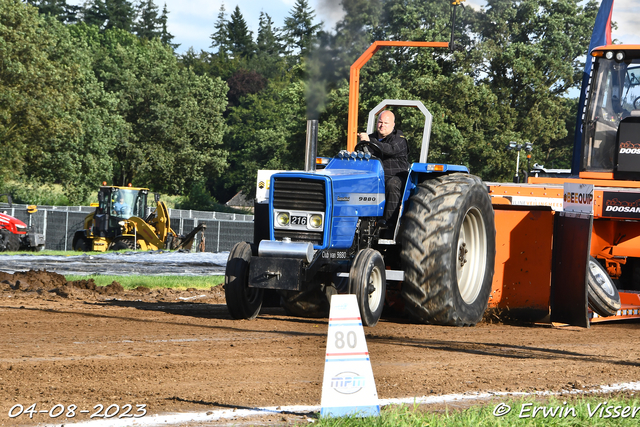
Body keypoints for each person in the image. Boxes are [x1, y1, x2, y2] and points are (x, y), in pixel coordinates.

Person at [358, 110, 409, 230]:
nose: (382, 125)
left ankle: (388, 224)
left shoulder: (400, 140)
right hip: (375, 177)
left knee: (392, 184)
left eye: (386, 123)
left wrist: (369, 142)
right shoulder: (371, 138)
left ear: (393, 125)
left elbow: (390, 149)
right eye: (380, 122)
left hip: (396, 176)